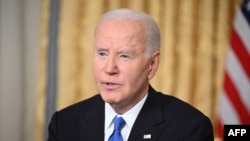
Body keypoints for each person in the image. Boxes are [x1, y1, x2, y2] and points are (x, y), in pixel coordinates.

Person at [47, 8, 214, 141]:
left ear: (152, 64)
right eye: (102, 53)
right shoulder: (64, 123)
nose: (109, 68)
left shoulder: (189, 128)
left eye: (124, 56)